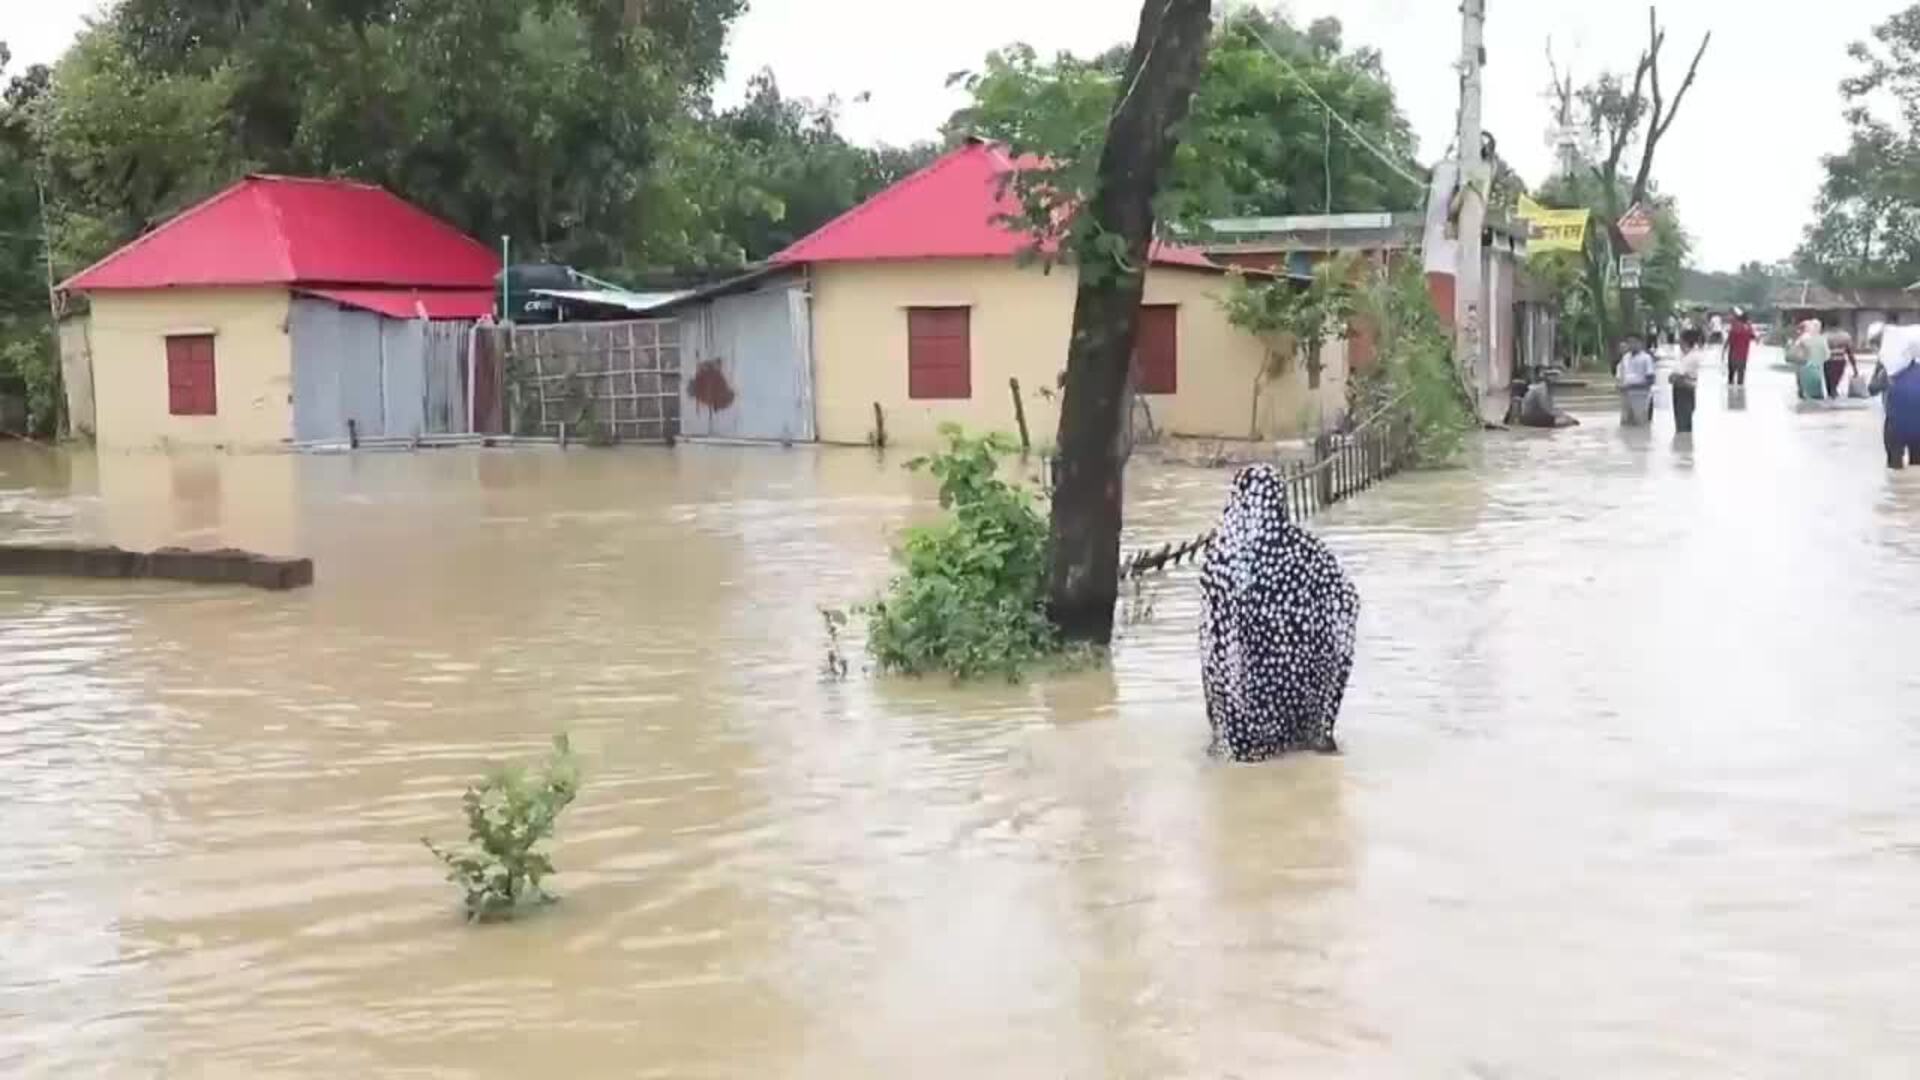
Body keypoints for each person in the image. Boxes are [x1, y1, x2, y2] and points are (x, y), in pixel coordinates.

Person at [1199, 464, 1360, 761]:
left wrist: (1220, 723)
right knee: (1296, 759)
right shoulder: (1308, 550)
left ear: (1239, 498)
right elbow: (1347, 601)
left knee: (1247, 774)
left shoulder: (1221, 557)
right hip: (1296, 686)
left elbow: (1213, 645)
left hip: (1245, 694)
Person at [1868, 322, 1920, 468]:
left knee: (1895, 465)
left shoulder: (1887, 365)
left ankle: (1895, 490)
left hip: (1895, 423)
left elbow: (1872, 388)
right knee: (1916, 467)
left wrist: (1885, 382)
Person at [1616, 335, 1657, 426]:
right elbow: (1622, 376)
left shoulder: (1646, 358)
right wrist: (1619, 385)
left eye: (1634, 342)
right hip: (1626, 396)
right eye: (1629, 342)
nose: (1631, 345)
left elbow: (1650, 381)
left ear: (1640, 344)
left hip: (1641, 397)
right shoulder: (1625, 357)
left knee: (1640, 423)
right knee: (1625, 424)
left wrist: (1631, 386)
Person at [1672, 327, 1706, 434]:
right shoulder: (1682, 355)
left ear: (1685, 341)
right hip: (1679, 388)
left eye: (1680, 340)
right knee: (1680, 420)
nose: (1679, 343)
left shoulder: (1693, 356)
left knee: (1683, 421)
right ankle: (1683, 444)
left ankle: (1684, 445)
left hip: (1686, 388)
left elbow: (1680, 374)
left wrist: (1675, 377)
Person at [1792, 320, 1829, 401]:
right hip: (1808, 361)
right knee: (1811, 377)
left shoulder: (1803, 337)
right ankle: (1811, 393)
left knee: (1802, 377)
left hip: (1803, 361)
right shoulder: (1809, 337)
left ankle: (1804, 392)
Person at [1723, 309, 1756, 387]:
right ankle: (1740, 397)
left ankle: (1731, 397)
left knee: (1731, 377)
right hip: (1743, 355)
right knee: (1740, 378)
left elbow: (1729, 340)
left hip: (1733, 354)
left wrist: (1723, 350)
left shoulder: (1735, 327)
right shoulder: (1748, 328)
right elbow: (1753, 337)